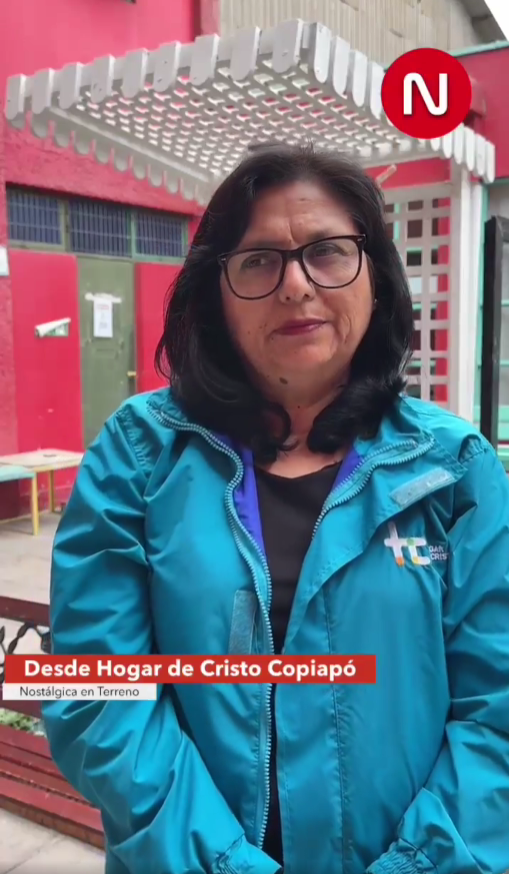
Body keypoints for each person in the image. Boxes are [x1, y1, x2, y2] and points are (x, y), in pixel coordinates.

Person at [43, 144, 509, 874]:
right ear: (217, 294)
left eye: (327, 252)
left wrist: (417, 864)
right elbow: (95, 690)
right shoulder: (139, 453)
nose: (296, 286)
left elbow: (497, 710)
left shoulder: (452, 469)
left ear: (377, 278)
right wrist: (225, 865)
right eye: (259, 260)